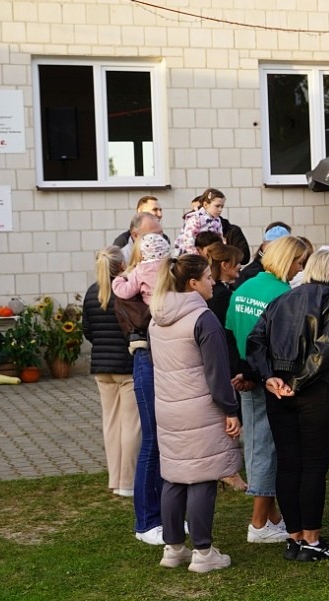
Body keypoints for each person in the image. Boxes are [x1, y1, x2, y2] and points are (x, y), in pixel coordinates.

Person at [247, 249, 329, 562]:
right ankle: (310, 538)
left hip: (280, 389)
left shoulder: (282, 299)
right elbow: (328, 347)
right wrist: (298, 380)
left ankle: (295, 537)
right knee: (313, 466)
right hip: (317, 390)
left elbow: (256, 340)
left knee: (289, 462)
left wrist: (270, 378)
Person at [148, 254, 242, 573]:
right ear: (193, 283)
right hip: (201, 408)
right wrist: (230, 409)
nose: (212, 281)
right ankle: (203, 552)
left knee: (174, 476)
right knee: (203, 476)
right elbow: (217, 371)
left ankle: (173, 548)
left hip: (169, 407)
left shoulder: (156, 318)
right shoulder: (203, 319)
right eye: (207, 277)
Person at [227, 235, 310, 545]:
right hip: (270, 379)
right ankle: (259, 523)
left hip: (246, 377)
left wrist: (240, 371)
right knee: (266, 449)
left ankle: (272, 517)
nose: (300, 267)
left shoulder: (244, 288)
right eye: (299, 261)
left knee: (261, 445)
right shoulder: (282, 293)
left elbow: (230, 332)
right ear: (287, 260)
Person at [112, 229, 171, 545]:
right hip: (148, 356)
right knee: (152, 440)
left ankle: (168, 515)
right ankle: (148, 522)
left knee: (163, 440)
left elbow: (119, 289)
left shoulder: (134, 276)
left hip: (160, 355)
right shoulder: (164, 272)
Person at [84, 246, 139, 497]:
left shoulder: (91, 292)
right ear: (120, 266)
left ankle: (115, 479)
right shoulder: (126, 291)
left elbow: (88, 330)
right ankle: (128, 482)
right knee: (131, 426)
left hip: (101, 366)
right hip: (126, 365)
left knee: (111, 424)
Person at [175, 188, 225, 255]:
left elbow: (220, 238)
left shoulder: (217, 220)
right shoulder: (196, 218)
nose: (220, 209)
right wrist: (198, 257)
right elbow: (188, 242)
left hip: (209, 254)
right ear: (206, 205)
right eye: (217, 206)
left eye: (222, 206)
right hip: (190, 255)